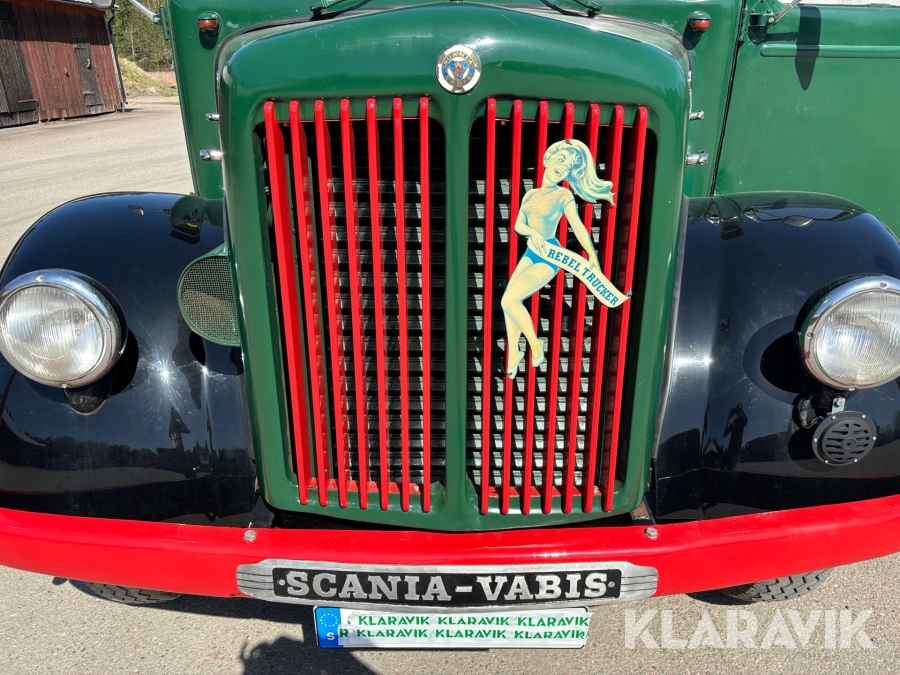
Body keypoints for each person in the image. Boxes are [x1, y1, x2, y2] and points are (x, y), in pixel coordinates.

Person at [501, 138, 614, 378]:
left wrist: (591, 253)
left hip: (550, 254)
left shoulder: (563, 195)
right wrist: (532, 232)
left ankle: (534, 343)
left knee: (509, 300)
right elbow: (519, 224)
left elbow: (578, 225)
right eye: (561, 159)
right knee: (509, 301)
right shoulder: (530, 195)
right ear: (547, 158)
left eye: (569, 166)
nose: (563, 167)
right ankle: (514, 353)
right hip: (532, 251)